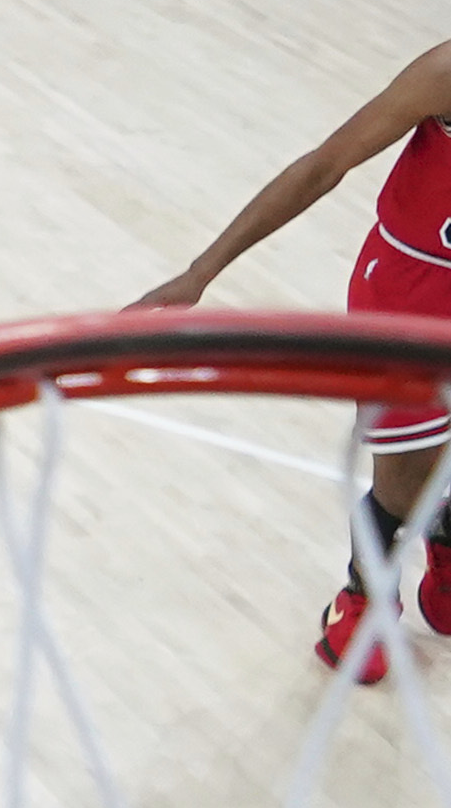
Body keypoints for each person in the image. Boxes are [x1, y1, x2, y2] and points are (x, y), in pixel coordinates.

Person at [132, 54, 451, 675]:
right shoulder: (446, 73)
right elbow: (324, 165)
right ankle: (362, 599)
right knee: (407, 474)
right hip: (414, 288)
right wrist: (202, 272)